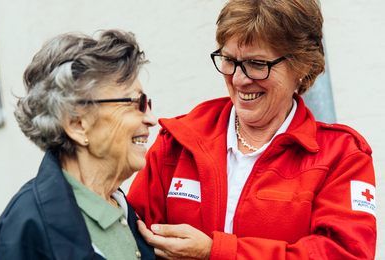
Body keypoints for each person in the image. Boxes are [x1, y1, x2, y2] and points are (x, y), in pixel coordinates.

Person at [127, 0, 377, 259]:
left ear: (303, 65)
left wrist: (216, 252)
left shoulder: (342, 156)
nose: (238, 79)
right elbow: (130, 240)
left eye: (257, 64)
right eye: (228, 60)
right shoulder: (179, 140)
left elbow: (344, 254)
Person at [0, 29, 157, 260]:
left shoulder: (126, 210)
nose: (152, 119)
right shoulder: (27, 227)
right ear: (77, 124)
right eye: (136, 103)